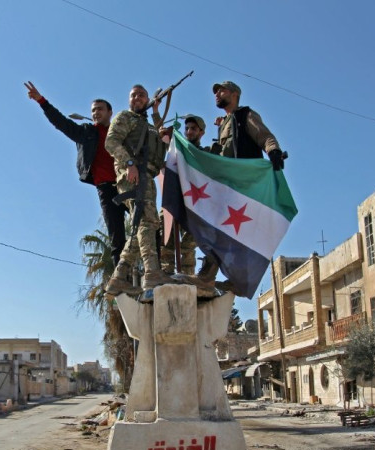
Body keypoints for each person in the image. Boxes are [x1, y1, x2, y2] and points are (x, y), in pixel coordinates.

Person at [190, 81, 286, 290]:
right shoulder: (226, 122)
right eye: (215, 91)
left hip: (244, 185)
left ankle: (214, 278)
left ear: (235, 94)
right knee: (228, 232)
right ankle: (232, 279)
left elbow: (264, 136)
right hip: (229, 186)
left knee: (231, 231)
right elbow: (221, 153)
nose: (217, 94)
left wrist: (274, 151)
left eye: (221, 90)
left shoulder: (245, 116)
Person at [24, 81, 127, 268]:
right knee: (117, 235)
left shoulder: (121, 133)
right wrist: (42, 101)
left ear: (110, 112)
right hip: (106, 188)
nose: (96, 113)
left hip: (128, 184)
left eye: (100, 109)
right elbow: (61, 123)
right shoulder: (87, 132)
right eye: (93, 110)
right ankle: (122, 279)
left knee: (149, 225)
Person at [104, 84, 174, 295]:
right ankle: (152, 272)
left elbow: (158, 135)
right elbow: (111, 142)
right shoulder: (125, 117)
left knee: (144, 226)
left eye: (142, 95)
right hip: (133, 175)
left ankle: (118, 278)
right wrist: (129, 164)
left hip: (147, 176)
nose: (138, 98)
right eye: (134, 95)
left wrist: (155, 112)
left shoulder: (146, 123)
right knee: (146, 222)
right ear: (129, 100)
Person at [160, 114, 206, 275]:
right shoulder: (177, 149)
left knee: (188, 245)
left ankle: (188, 277)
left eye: (193, 128)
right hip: (174, 200)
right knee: (166, 242)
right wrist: (157, 113)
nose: (189, 132)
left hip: (195, 205)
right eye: (187, 128)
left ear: (201, 133)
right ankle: (166, 275)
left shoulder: (205, 154)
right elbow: (162, 134)